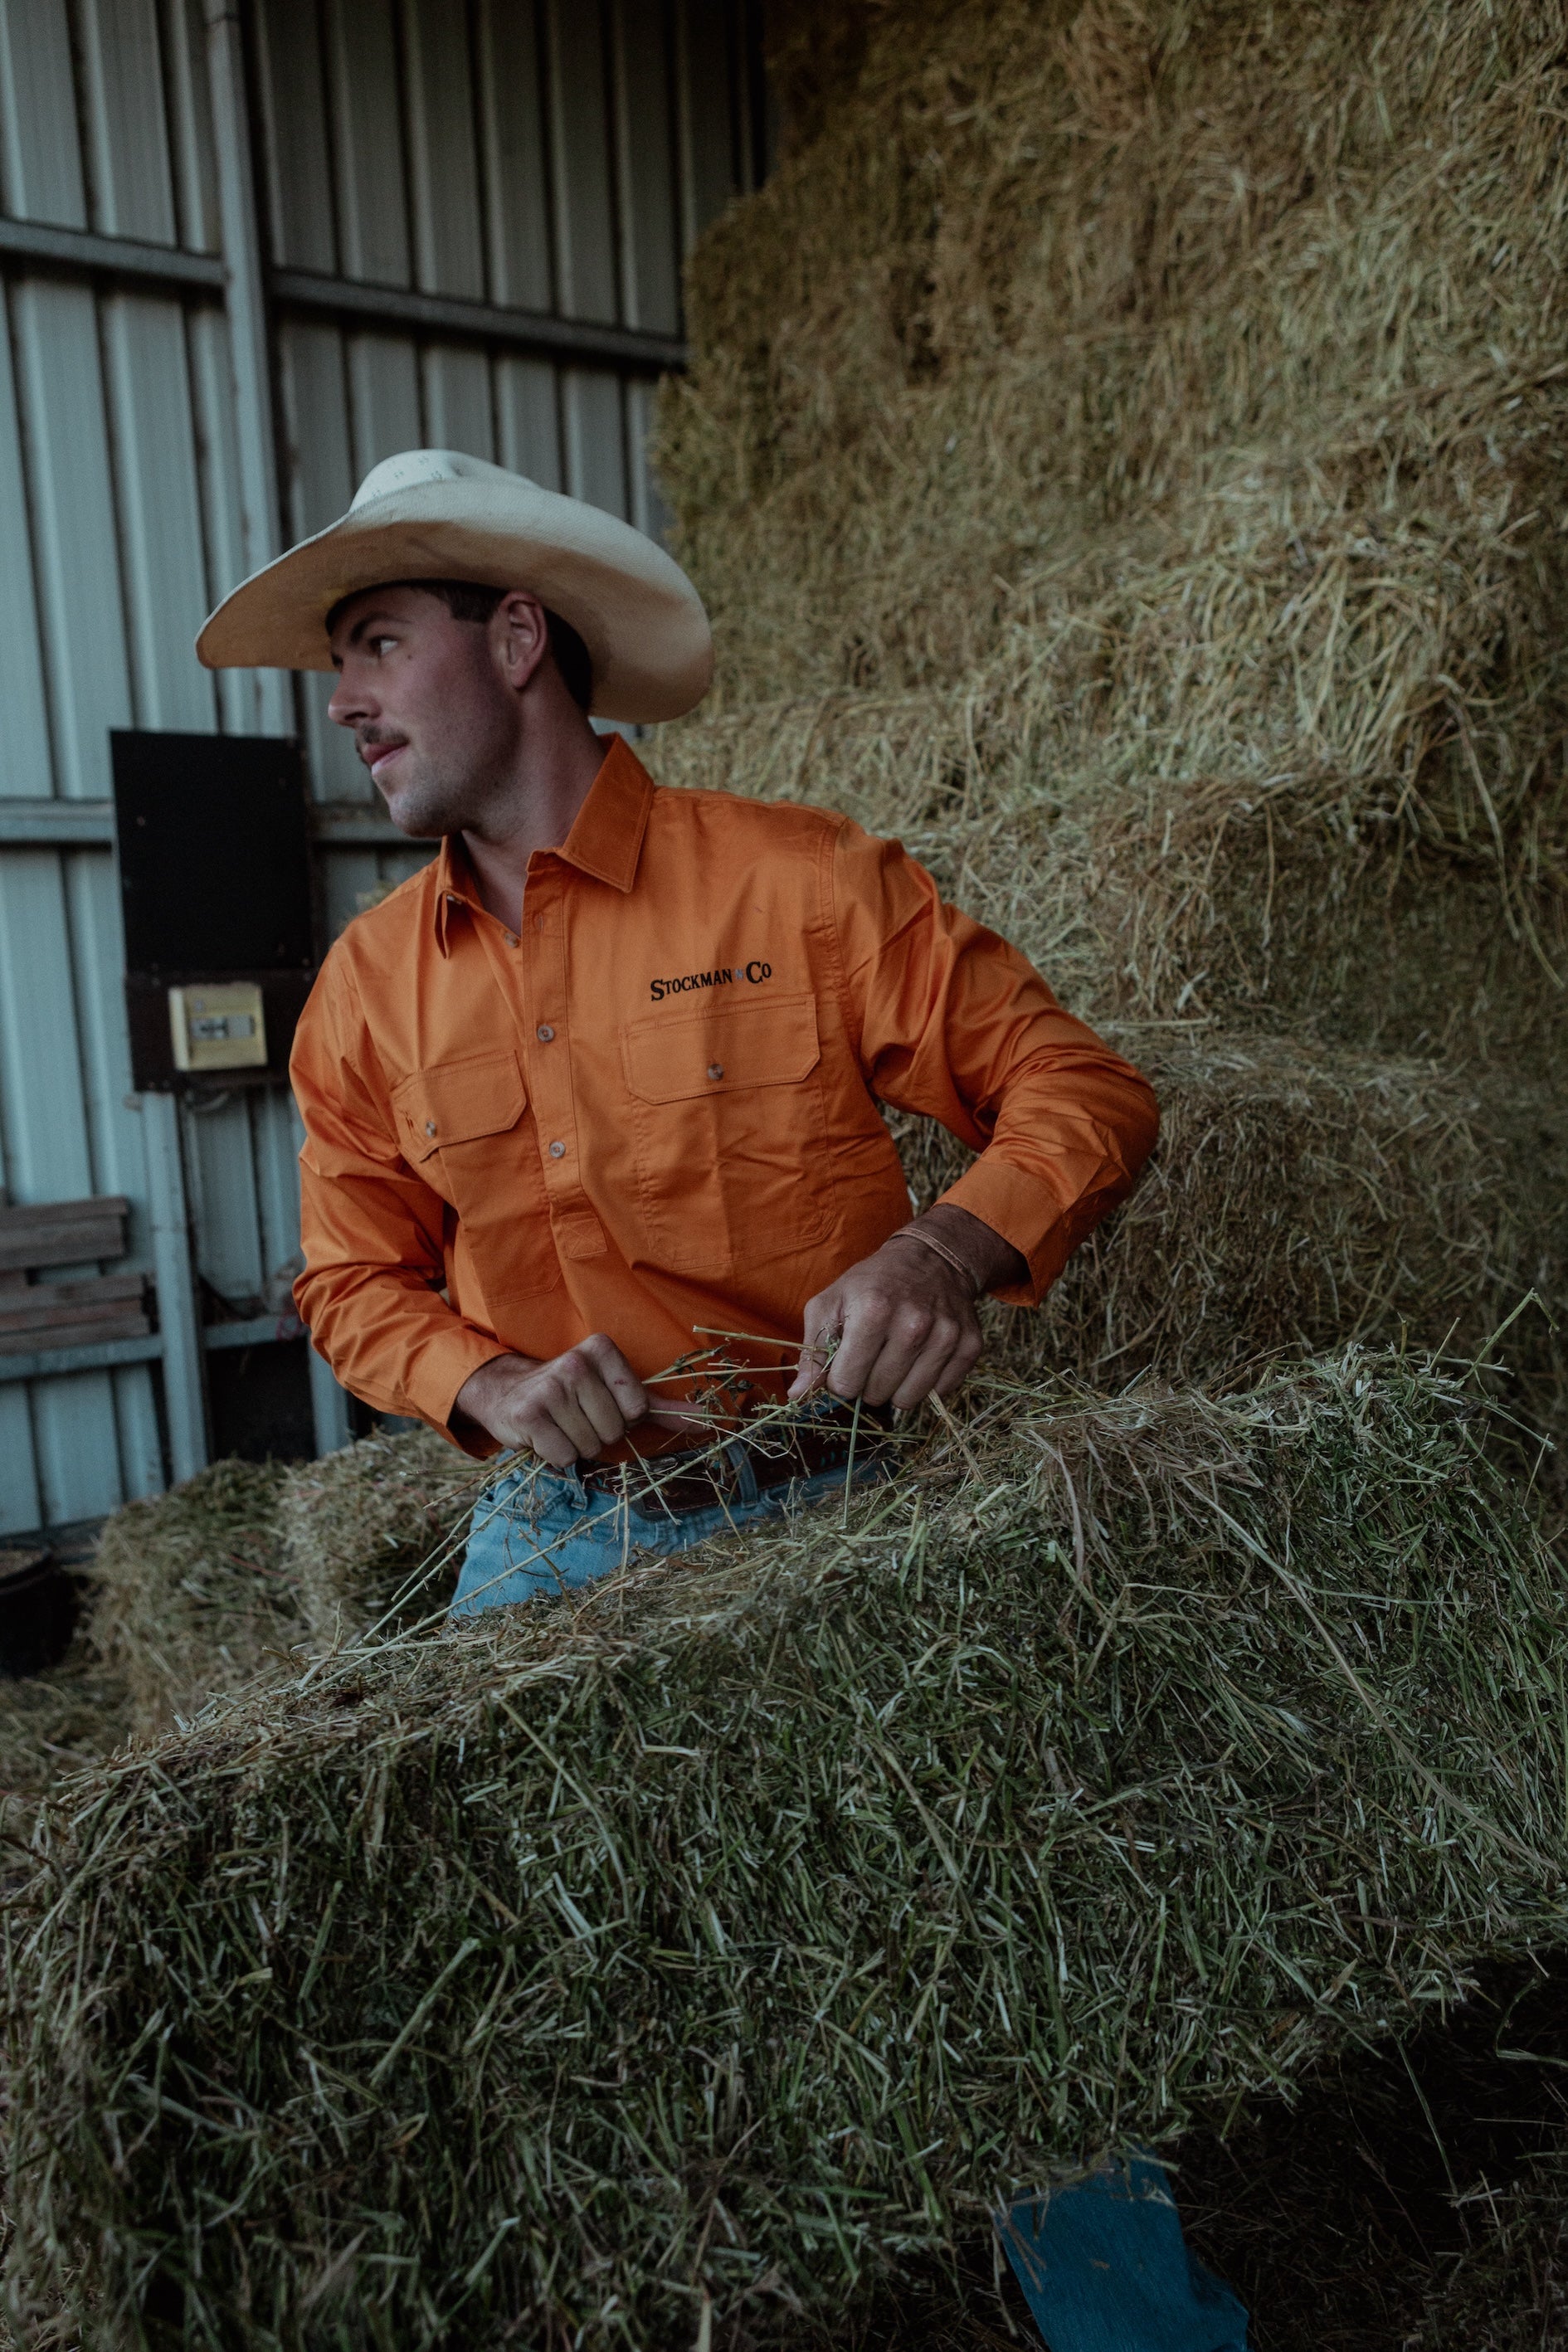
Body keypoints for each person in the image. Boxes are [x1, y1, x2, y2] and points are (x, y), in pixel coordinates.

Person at [197, 449, 1159, 1616]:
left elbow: (1082, 1089)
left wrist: (939, 1254)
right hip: (559, 1533)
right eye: (339, 665)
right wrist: (489, 1383)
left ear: (515, 641)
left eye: (380, 645)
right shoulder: (365, 985)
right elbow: (349, 1277)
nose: (343, 701)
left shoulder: (798, 881)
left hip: (845, 1497)